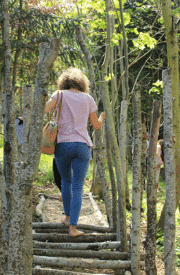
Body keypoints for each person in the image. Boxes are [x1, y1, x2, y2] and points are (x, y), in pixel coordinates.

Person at [45, 67, 106, 237]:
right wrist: (102, 117)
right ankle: (73, 228)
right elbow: (96, 125)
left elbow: (43, 109)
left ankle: (67, 218)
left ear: (64, 82)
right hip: (82, 146)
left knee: (66, 181)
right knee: (78, 187)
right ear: (82, 83)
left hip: (63, 145)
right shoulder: (88, 98)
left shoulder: (59, 95)